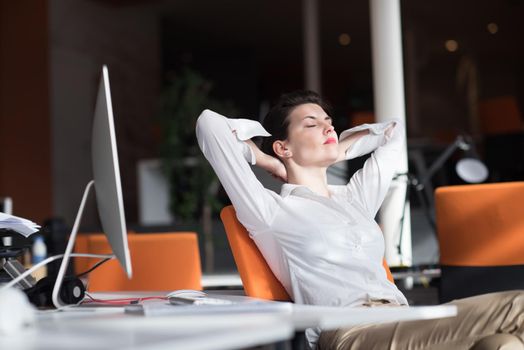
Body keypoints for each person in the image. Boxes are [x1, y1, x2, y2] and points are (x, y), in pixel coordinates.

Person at [195, 90, 524, 349]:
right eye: (311, 124)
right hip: (353, 334)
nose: (328, 127)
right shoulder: (269, 211)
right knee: (519, 307)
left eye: (328, 121)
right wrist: (268, 160)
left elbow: (392, 133)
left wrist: (336, 150)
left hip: (407, 320)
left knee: (504, 344)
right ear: (284, 147)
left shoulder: (355, 198)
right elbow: (210, 125)